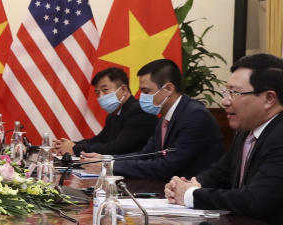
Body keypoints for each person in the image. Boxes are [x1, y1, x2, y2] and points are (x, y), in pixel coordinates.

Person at [165, 54, 283, 225]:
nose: (225, 101)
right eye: (226, 92)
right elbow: (219, 174)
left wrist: (190, 195)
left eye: (234, 93)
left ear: (269, 99)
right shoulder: (248, 130)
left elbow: (253, 201)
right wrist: (186, 185)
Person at [89, 59, 224, 180]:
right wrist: (106, 159)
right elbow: (147, 154)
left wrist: (110, 166)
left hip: (193, 195)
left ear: (169, 89)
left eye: (146, 91)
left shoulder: (195, 116)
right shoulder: (165, 117)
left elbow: (166, 167)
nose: (141, 97)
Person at [52, 67, 155, 157]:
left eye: (105, 90)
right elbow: (99, 140)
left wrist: (74, 149)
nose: (101, 96)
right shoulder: (113, 115)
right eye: (97, 93)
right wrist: (67, 145)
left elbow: (117, 148)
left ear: (123, 89)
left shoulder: (139, 111)